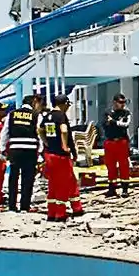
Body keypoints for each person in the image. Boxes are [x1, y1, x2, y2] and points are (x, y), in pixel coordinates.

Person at [39, 94, 84, 222]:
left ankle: (70, 209)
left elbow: (40, 129)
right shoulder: (60, 116)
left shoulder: (47, 116)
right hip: (60, 155)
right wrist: (65, 146)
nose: (68, 107)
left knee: (58, 182)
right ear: (63, 103)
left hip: (50, 154)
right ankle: (60, 213)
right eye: (68, 105)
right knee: (63, 184)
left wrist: (46, 142)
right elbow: (64, 130)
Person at [0, 94, 43, 213]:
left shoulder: (12, 114)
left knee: (13, 177)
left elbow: (5, 133)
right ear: (34, 102)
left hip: (15, 150)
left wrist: (2, 149)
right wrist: (40, 151)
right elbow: (39, 133)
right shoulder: (36, 116)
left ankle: (12, 206)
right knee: (27, 178)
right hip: (30, 150)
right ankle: (25, 206)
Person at [101, 93, 133, 197]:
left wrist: (114, 122)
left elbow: (125, 125)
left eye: (124, 102)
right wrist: (115, 124)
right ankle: (112, 188)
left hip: (122, 142)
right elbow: (105, 125)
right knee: (110, 165)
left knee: (124, 165)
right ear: (115, 102)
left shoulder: (126, 113)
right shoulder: (107, 112)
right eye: (121, 102)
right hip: (110, 142)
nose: (123, 104)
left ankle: (125, 189)